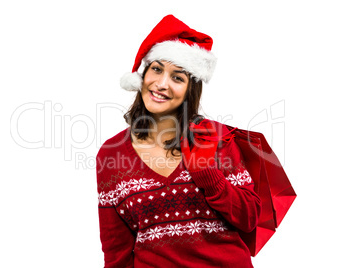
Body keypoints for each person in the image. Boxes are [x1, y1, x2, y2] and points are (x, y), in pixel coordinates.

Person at [96, 14, 262, 268]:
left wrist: (209, 176)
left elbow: (249, 217)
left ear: (189, 90)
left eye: (177, 77)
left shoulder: (215, 138)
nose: (161, 84)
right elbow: (116, 249)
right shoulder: (110, 154)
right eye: (157, 69)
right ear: (143, 74)